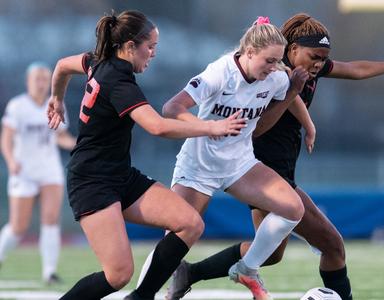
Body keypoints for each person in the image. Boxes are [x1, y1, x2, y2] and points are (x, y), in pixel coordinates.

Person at [165, 13, 384, 300]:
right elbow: (260, 126)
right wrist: (294, 95)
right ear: (292, 51)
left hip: (277, 168)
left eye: (323, 58)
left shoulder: (300, 72)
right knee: (331, 244)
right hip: (257, 170)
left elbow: (354, 69)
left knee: (271, 253)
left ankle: (190, 273)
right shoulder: (272, 75)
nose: (319, 63)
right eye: (314, 56)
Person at [46, 10, 246, 300]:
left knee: (190, 223)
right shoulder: (118, 81)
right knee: (118, 275)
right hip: (91, 182)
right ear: (129, 46)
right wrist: (211, 126)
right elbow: (157, 126)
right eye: (149, 47)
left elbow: (62, 66)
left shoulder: (98, 60)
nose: (152, 54)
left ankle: (141, 297)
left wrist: (57, 98)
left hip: (120, 175)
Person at [131, 17, 308, 300]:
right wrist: (209, 127)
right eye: (269, 61)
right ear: (249, 52)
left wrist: (295, 96)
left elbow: (261, 126)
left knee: (292, 209)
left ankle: (247, 269)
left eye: (277, 61)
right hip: (199, 166)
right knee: (174, 242)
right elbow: (171, 108)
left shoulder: (275, 79)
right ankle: (142, 295)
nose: (274, 67)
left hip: (240, 164)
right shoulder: (220, 72)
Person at [0, 62, 76, 284]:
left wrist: (77, 144)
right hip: (23, 171)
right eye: (38, 79)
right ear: (28, 82)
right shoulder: (17, 106)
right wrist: (11, 161)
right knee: (18, 226)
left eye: (46, 79)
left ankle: (49, 271)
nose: (42, 83)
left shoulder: (55, 104)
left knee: (51, 219)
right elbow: (6, 138)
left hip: (49, 170)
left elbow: (60, 135)